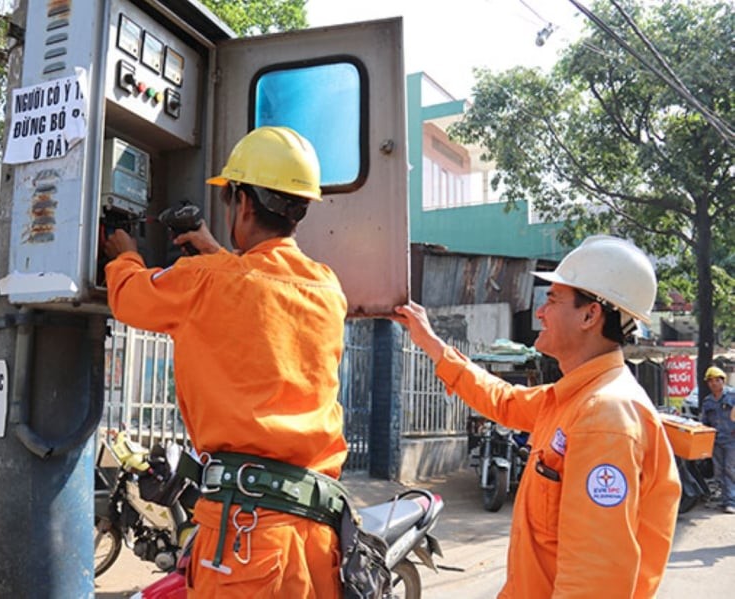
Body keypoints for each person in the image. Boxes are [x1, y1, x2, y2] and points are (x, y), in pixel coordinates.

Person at [103, 126, 348, 597]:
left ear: (245, 203)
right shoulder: (326, 287)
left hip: (247, 538)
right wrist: (217, 253)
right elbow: (262, 295)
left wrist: (124, 255)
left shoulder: (207, 281)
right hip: (316, 535)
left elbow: (130, 299)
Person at [394, 235, 681, 598]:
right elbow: (504, 401)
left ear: (590, 315)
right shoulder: (574, 399)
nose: (540, 312)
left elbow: (593, 583)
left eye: (552, 299)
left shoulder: (605, 417)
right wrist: (432, 343)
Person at [700, 366, 735, 513]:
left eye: (716, 380)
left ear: (723, 381)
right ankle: (724, 499)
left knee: (730, 469)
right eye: (710, 381)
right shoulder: (707, 402)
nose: (713, 384)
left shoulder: (732, 396)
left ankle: (731, 501)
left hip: (732, 440)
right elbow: (704, 422)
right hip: (716, 441)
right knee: (719, 471)